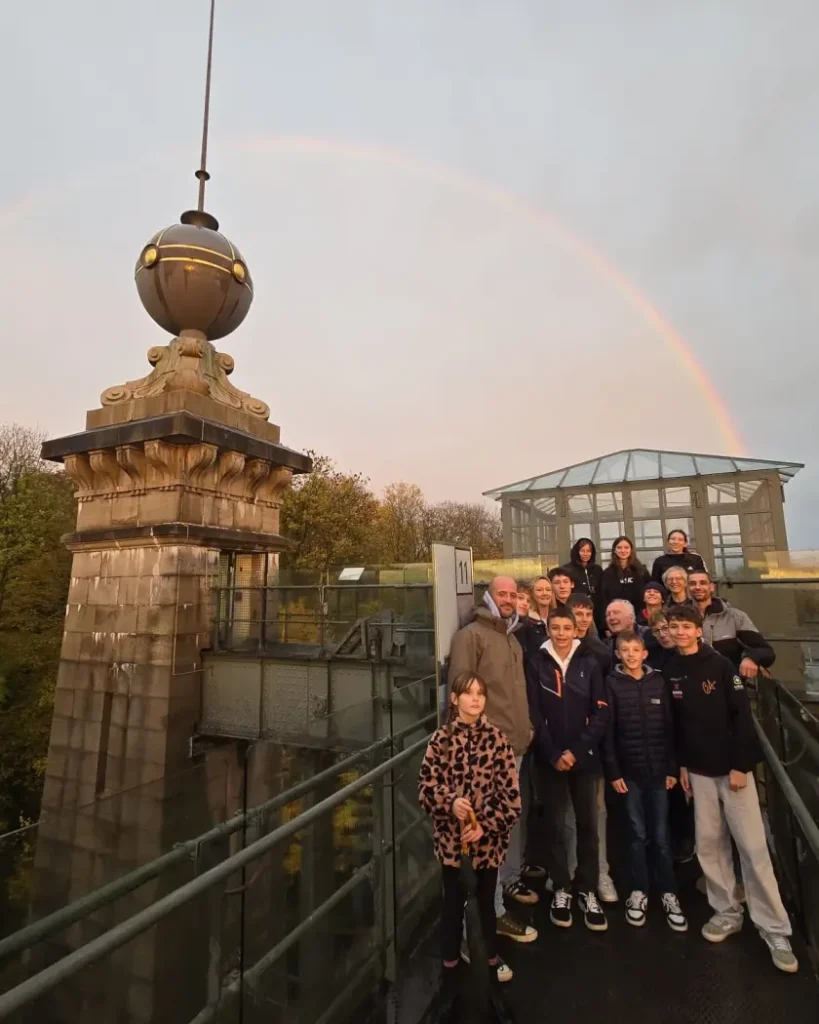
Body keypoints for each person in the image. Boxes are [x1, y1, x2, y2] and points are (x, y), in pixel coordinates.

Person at [664, 605, 799, 973]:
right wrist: (681, 766)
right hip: (698, 773)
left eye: (684, 626)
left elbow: (743, 717)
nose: (678, 632)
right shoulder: (671, 670)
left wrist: (742, 765)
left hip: (732, 771)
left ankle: (774, 926)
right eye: (673, 626)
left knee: (752, 847)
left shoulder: (721, 666)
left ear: (697, 630)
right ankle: (726, 911)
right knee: (709, 845)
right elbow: (675, 726)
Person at [419, 673, 522, 999]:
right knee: (451, 906)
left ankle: (489, 964)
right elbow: (425, 789)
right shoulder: (440, 741)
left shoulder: (497, 741)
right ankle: (450, 969)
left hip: (487, 846)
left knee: (486, 906)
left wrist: (485, 823)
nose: (475, 699)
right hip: (453, 846)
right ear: (454, 699)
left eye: (480, 693)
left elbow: (512, 801)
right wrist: (450, 802)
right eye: (468, 693)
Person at [448, 576, 539, 942]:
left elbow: (516, 693)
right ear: (488, 597)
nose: (507, 599)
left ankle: (498, 898)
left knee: (501, 828)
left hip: (514, 747)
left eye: (513, 595)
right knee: (486, 836)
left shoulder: (511, 638)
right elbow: (459, 697)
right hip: (486, 754)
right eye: (501, 593)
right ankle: (490, 916)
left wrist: (527, 727)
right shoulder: (471, 637)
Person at [527, 607, 610, 932]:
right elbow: (534, 713)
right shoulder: (536, 663)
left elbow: (601, 711)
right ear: (548, 629)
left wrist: (576, 751)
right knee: (556, 824)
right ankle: (561, 885)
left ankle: (587, 889)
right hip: (551, 759)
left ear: (577, 630)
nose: (561, 633)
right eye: (555, 627)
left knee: (588, 824)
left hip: (584, 759)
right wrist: (553, 752)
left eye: (567, 628)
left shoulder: (589, 664)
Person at [603, 631, 687, 932]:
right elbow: (608, 733)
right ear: (617, 654)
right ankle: (639, 891)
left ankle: (668, 892)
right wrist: (613, 772)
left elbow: (669, 728)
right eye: (624, 649)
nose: (630, 654)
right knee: (637, 835)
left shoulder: (658, 682)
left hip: (658, 773)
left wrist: (671, 769)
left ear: (644, 653)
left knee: (662, 837)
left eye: (635, 649)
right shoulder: (611, 684)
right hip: (630, 774)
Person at [566, 592, 616, 903]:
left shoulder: (601, 652)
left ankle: (601, 872)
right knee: (568, 813)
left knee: (596, 813)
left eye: (587, 614)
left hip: (593, 745)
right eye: (577, 613)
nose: (582, 619)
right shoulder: (552, 650)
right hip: (563, 745)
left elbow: (605, 705)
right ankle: (572, 873)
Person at [687, 570, 775, 676]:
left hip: (728, 683)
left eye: (703, 583)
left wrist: (751, 658)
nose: (697, 587)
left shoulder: (735, 617)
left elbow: (765, 650)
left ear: (712, 587)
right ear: (687, 588)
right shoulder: (678, 617)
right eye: (692, 584)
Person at [600, 536, 650, 614]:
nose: (623, 551)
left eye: (626, 547)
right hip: (616, 616)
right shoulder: (607, 573)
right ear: (614, 550)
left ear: (631, 550)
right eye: (619, 548)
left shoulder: (641, 571)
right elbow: (604, 599)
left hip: (640, 617)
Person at [562, 537, 603, 604]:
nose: (585, 554)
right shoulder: (567, 570)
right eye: (582, 551)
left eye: (588, 551)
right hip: (576, 607)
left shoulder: (597, 569)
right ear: (577, 552)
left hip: (597, 609)